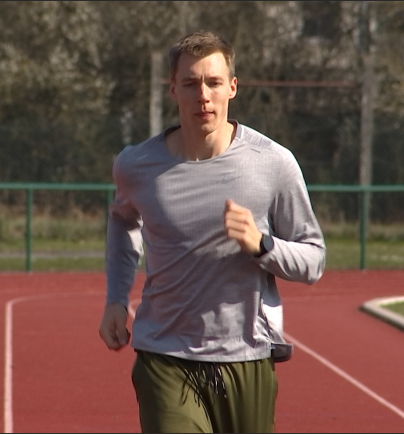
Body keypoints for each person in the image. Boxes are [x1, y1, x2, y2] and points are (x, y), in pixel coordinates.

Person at [98, 30, 326, 433]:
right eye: (190, 83)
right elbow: (122, 220)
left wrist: (262, 245)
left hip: (247, 356)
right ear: (173, 89)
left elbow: (313, 261)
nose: (203, 95)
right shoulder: (136, 166)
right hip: (164, 355)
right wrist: (116, 297)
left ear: (232, 87)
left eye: (214, 82)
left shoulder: (272, 163)